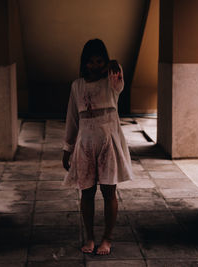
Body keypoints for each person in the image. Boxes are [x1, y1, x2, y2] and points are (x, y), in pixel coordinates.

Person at [62, 39, 133, 255]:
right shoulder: (77, 86)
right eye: (90, 62)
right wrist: (68, 148)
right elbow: (72, 119)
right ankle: (90, 236)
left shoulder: (111, 83)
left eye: (99, 61)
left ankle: (107, 239)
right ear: (84, 63)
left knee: (109, 191)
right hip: (85, 144)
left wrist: (114, 65)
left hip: (108, 143)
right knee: (87, 192)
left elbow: (119, 76)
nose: (95, 66)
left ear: (105, 62)